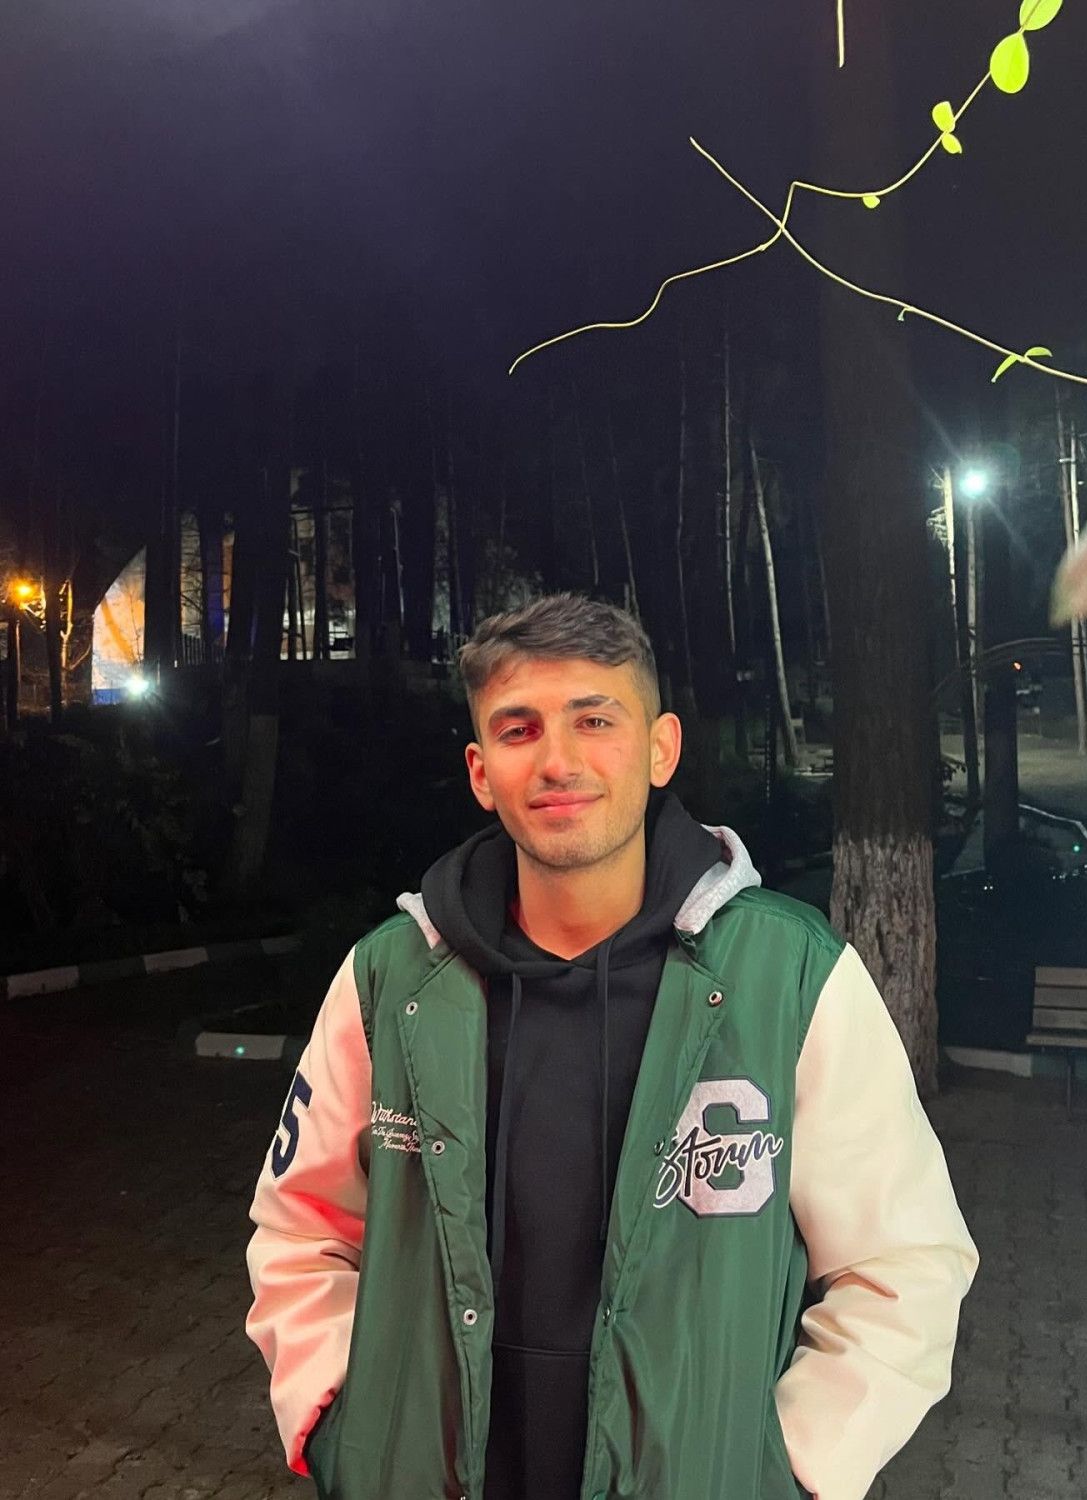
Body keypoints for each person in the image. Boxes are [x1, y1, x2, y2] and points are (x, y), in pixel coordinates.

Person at [246, 593, 978, 1500]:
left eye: (595, 720)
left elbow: (903, 1263)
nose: (558, 760)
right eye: (519, 729)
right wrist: (335, 1418)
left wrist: (794, 1469)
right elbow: (300, 1229)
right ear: (481, 772)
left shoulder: (789, 976)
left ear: (661, 748)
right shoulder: (390, 981)